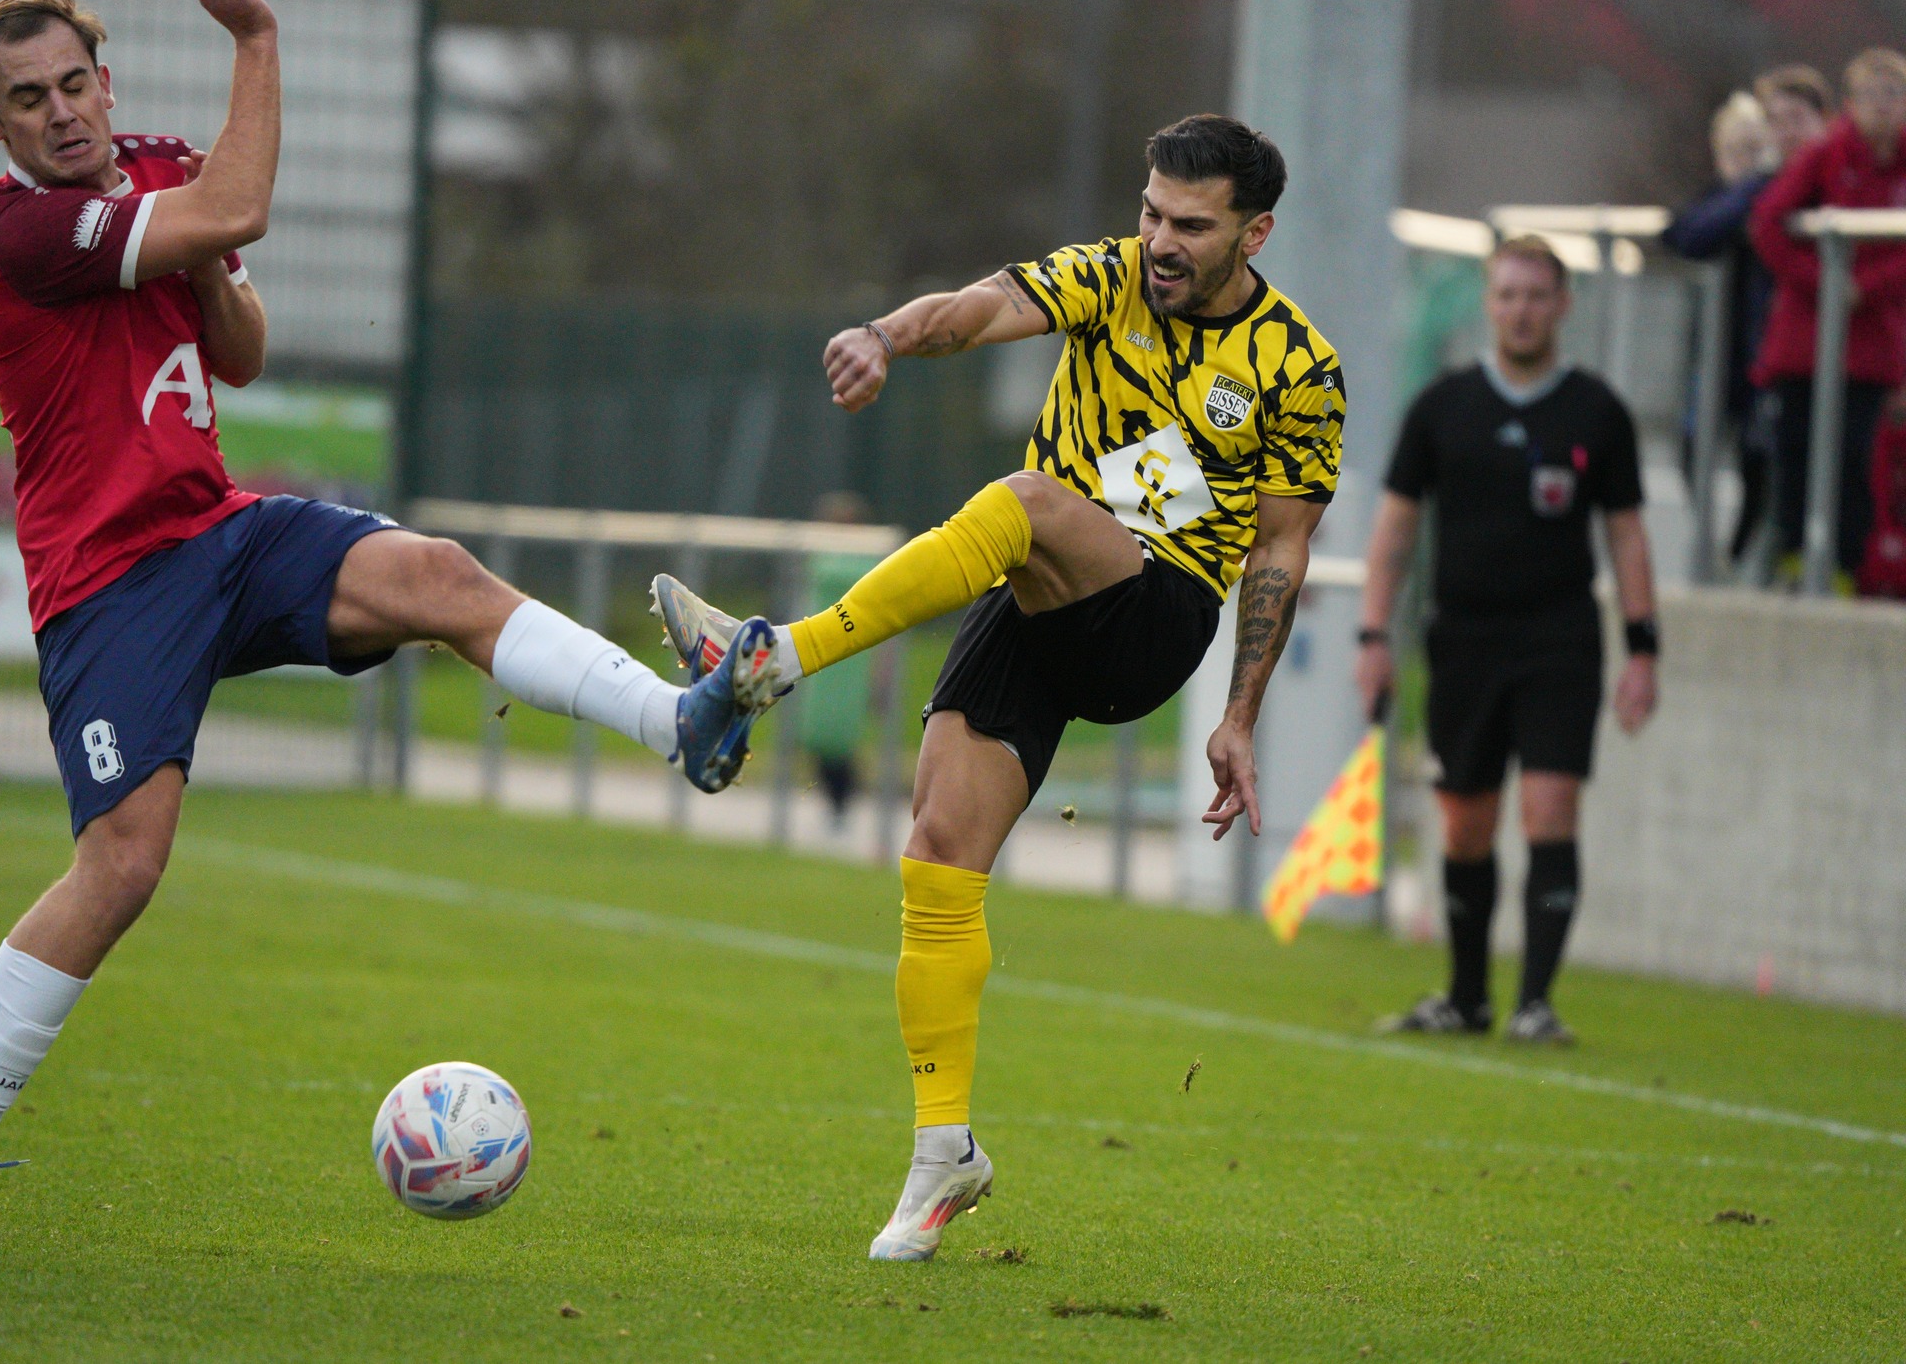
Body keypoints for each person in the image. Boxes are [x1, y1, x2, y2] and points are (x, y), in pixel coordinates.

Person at [0, 0, 776, 1260]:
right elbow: (240, 208)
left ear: (103, 72)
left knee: (438, 576)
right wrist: (256, 37)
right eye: (27, 100)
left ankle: (677, 721)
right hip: (109, 584)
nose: (62, 112)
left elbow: (240, 351)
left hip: (220, 532)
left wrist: (197, 252)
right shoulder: (20, 229)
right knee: (124, 870)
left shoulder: (151, 170)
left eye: (72, 81)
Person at [652, 114, 1343, 1260]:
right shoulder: (1107, 279)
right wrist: (882, 334)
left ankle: (770, 660)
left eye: (1189, 225)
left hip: (1153, 615)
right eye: (1149, 213)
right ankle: (942, 1157)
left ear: (1253, 231)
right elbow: (978, 308)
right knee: (935, 856)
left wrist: (1235, 716)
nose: (1158, 242)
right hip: (1034, 595)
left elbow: (1277, 548)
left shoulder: (1295, 367)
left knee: (1023, 500)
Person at [1358, 236, 1659, 1046]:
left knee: (1550, 808)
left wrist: (1642, 647)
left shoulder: (1596, 411)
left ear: (1563, 305)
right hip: (1463, 640)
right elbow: (1394, 528)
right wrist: (1372, 632)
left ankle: (1534, 1002)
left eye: (1536, 295)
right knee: (1463, 821)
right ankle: (1465, 996)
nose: (1521, 309)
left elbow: (1627, 535)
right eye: (1506, 295)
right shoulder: (1444, 405)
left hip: (1559, 640)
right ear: (1488, 304)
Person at [1750, 48, 1906, 592]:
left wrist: (1871, 286)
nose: (1881, 108)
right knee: (1795, 451)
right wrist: (1826, 280)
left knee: (1855, 459)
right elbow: (1769, 221)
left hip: (1870, 343)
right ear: (1850, 104)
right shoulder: (1827, 154)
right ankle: (1795, 559)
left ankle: (1845, 566)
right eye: (1869, 96)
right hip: (1807, 338)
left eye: (1893, 95)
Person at [1660, 91, 1779, 563]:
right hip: (1713, 348)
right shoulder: (1718, 199)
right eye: (1733, 150)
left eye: (1753, 149)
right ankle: (1713, 546)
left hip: (1760, 351)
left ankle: (1742, 552)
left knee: (1759, 457)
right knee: (1693, 443)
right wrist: (1742, 196)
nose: (1743, 161)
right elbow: (1682, 235)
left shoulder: (1774, 196)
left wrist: (1752, 190)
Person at [798, 492, 881, 826]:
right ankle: (835, 802)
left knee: (842, 733)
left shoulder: (870, 559)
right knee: (817, 732)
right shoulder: (817, 555)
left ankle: (842, 802)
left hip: (854, 656)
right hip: (819, 649)